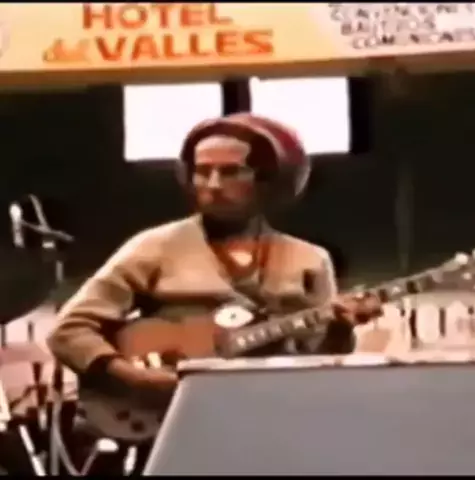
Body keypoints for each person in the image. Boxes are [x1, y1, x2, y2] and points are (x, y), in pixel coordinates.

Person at [47, 113, 382, 409]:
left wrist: (341, 327)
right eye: (202, 172)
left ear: (264, 180)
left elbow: (320, 360)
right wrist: (130, 377)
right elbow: (70, 329)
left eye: (231, 172)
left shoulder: (309, 259)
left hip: (273, 409)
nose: (214, 185)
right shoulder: (156, 246)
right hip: (170, 414)